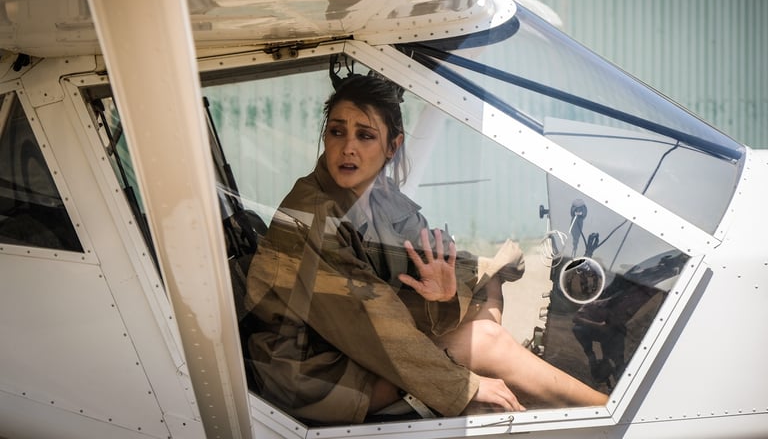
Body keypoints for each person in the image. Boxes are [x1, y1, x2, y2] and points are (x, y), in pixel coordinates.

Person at [243, 73, 608, 424]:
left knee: (486, 295)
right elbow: (369, 320)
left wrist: (447, 294)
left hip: (348, 344)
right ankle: (610, 411)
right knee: (485, 341)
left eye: (365, 135)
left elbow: (437, 261)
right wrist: (463, 384)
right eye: (337, 132)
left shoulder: (379, 195)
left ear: (393, 146)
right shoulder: (312, 212)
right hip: (311, 372)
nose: (347, 147)